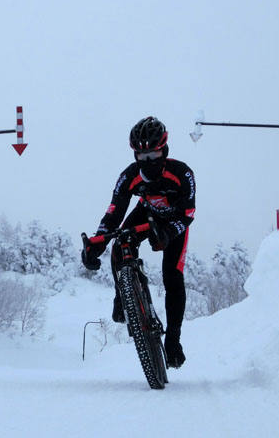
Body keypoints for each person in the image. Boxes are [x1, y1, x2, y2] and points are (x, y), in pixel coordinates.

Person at [81, 116, 196, 368]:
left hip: (175, 223)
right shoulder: (129, 176)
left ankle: (173, 340)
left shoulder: (182, 173)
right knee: (118, 243)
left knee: (172, 276)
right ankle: (122, 296)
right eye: (142, 157)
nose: (148, 162)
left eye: (153, 155)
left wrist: (167, 234)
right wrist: (96, 244)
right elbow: (113, 213)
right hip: (147, 214)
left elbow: (188, 215)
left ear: (164, 151)